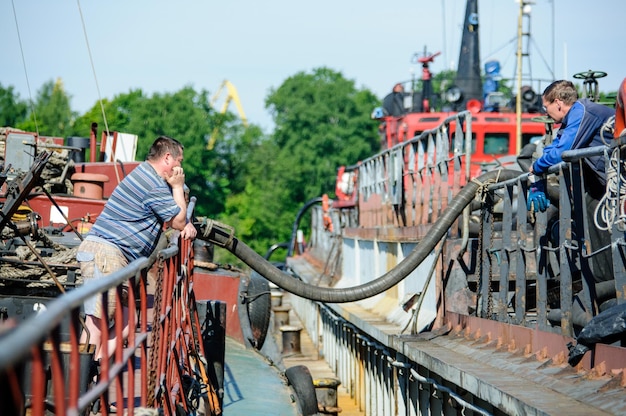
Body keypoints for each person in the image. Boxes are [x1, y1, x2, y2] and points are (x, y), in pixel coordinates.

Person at [78, 135, 197, 362]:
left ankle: (95, 371)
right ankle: (82, 382)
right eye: (179, 161)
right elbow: (178, 221)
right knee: (98, 323)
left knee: (126, 323)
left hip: (115, 257)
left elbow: (176, 215)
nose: (180, 168)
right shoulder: (151, 182)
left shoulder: (150, 177)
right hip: (106, 253)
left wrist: (182, 210)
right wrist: (178, 187)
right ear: (168, 158)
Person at [527, 79, 615, 283]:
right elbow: (552, 149)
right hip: (601, 186)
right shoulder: (571, 119)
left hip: (615, 185)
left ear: (558, 102)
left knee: (598, 217)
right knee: (590, 211)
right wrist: (537, 177)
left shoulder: (582, 112)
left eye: (546, 107)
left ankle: (607, 282)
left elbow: (563, 152)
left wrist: (538, 168)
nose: (545, 112)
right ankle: (601, 279)